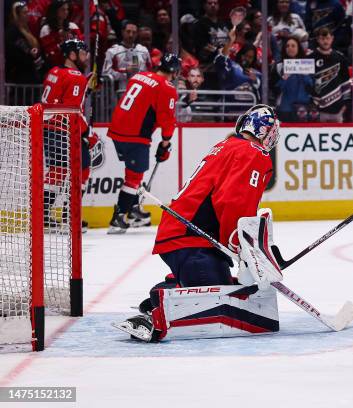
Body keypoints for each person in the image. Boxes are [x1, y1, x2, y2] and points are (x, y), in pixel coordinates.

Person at [115, 105, 281, 342]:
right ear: (264, 131)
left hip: (183, 236)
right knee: (222, 302)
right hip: (192, 241)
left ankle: (169, 291)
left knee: (226, 289)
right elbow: (233, 202)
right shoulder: (254, 152)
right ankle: (159, 311)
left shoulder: (228, 146)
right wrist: (241, 246)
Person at [106, 53, 180, 234]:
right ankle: (119, 218)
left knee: (133, 174)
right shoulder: (167, 87)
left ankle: (132, 209)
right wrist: (166, 142)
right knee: (134, 178)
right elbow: (167, 119)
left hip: (116, 130)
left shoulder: (139, 76)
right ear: (175, 72)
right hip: (134, 135)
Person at [40, 39, 95, 231]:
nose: (85, 57)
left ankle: (47, 216)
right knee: (82, 167)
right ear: (71, 55)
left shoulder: (54, 71)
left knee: (58, 170)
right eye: (81, 53)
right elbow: (72, 110)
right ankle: (70, 216)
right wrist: (88, 131)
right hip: (64, 128)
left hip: (48, 126)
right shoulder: (75, 76)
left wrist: (84, 89)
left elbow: (61, 97)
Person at [311, 27, 351, 122]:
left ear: (332, 38)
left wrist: (346, 104)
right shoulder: (311, 58)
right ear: (317, 39)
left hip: (338, 108)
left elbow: (345, 81)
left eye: (328, 38)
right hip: (319, 108)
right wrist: (313, 103)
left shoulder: (340, 58)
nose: (325, 41)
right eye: (322, 39)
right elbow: (308, 82)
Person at [102, 20, 152, 91]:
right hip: (120, 92)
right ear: (122, 32)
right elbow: (105, 74)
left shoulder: (143, 51)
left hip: (141, 91)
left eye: (134, 32)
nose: (131, 35)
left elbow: (150, 72)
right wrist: (126, 71)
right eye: (128, 31)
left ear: (137, 34)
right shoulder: (112, 51)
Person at [274, 37, 314, 122]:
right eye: (287, 46)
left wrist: (305, 75)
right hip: (285, 108)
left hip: (303, 107)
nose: (290, 48)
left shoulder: (307, 65)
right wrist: (284, 78)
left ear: (298, 48)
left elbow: (311, 87)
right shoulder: (279, 66)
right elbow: (275, 89)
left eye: (293, 46)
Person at [5, 1, 45, 88]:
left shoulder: (27, 30)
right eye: (25, 12)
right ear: (17, 15)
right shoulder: (13, 32)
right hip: (20, 78)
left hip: (31, 75)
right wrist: (32, 55)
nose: (28, 15)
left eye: (28, 12)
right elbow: (22, 54)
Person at [39, 0, 83, 68]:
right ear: (55, 11)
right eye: (63, 10)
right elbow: (50, 55)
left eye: (67, 9)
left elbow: (81, 47)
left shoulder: (73, 26)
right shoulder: (46, 29)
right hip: (54, 67)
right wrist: (61, 41)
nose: (66, 12)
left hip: (73, 66)